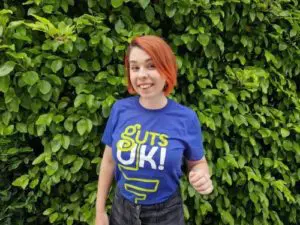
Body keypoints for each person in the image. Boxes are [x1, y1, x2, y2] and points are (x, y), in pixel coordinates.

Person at [95, 35, 213, 225]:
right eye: (135, 67)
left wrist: (202, 176)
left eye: (151, 66)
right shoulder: (120, 110)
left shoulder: (186, 118)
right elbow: (108, 162)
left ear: (167, 69)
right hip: (122, 210)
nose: (141, 75)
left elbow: (198, 162)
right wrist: (99, 212)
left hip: (166, 214)